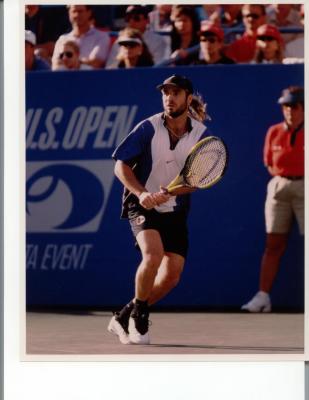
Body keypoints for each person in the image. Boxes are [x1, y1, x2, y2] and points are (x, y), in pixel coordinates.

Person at [108, 75, 209, 344]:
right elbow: (121, 165)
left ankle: (124, 314)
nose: (169, 97)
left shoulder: (201, 135)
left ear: (188, 98)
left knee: (171, 277)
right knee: (152, 256)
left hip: (175, 208)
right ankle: (139, 316)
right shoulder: (148, 128)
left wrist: (170, 193)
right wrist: (142, 194)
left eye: (175, 92)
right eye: (165, 92)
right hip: (140, 203)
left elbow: (197, 181)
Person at [241, 86, 304, 312]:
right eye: (286, 106)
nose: (289, 111)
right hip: (278, 187)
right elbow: (269, 163)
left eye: (294, 106)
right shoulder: (274, 131)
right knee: (273, 244)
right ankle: (263, 297)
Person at [52, 5, 111, 69]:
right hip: (65, 77)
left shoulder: (101, 36)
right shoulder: (62, 39)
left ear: (89, 13)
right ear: (69, 13)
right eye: (74, 11)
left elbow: (96, 63)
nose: (77, 15)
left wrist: (72, 62)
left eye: (80, 11)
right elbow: (56, 64)